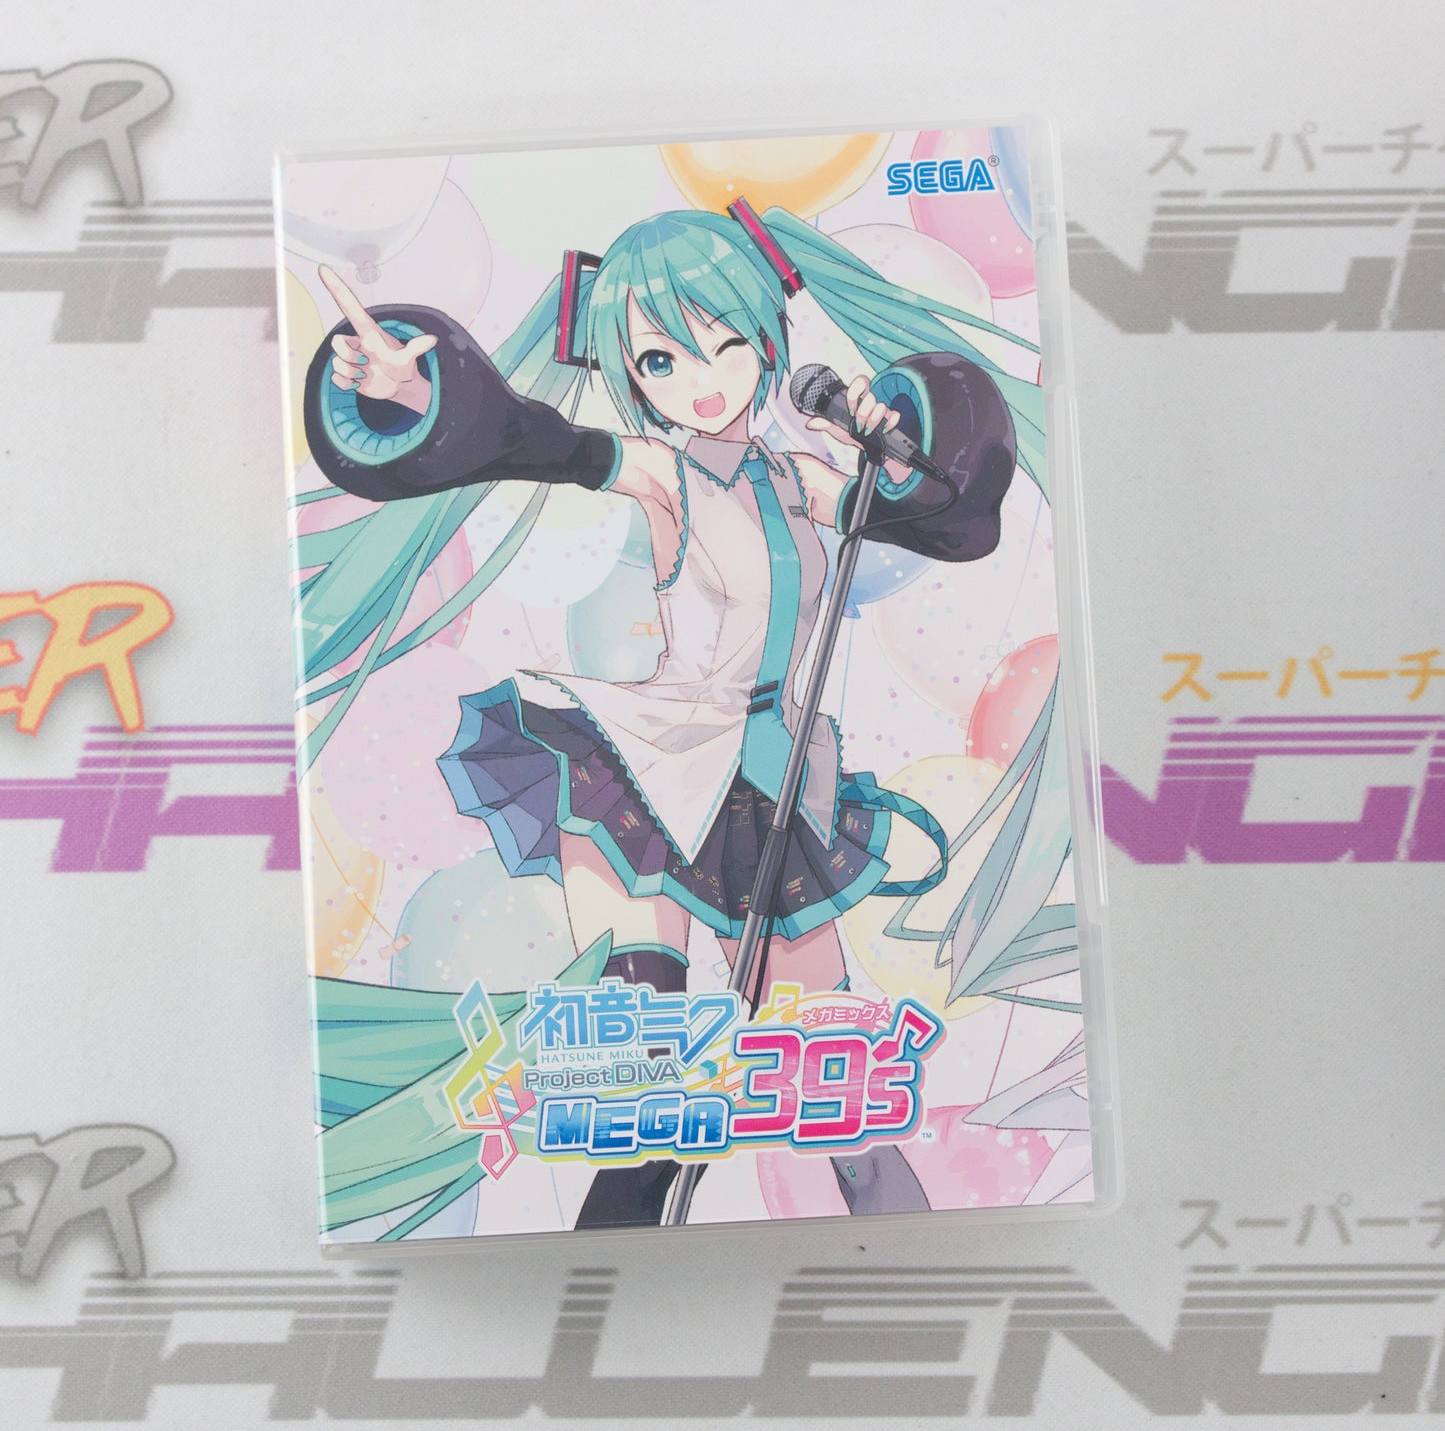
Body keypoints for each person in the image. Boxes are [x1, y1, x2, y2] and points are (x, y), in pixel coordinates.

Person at [299, 202, 1068, 1235]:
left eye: (724, 343)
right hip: (654, 763)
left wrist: (894, 439)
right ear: (631, 374)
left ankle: (913, 1246)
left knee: (829, 1057)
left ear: (764, 341)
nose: (700, 379)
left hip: (777, 773)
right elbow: (541, 441)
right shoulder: (663, 474)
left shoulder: (801, 476)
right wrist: (410, 392)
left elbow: (950, 521)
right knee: (646, 1049)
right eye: (660, 360)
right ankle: (607, 1255)